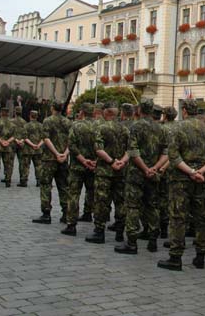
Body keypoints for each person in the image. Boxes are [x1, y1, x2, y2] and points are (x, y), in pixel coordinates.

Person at [158, 99, 205, 270]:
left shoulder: (177, 128)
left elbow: (173, 155)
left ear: (184, 110)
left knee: (178, 217)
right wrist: (201, 171)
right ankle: (200, 256)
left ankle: (175, 257)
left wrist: (191, 172)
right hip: (202, 179)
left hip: (180, 179)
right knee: (201, 217)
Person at [115, 99, 169, 255]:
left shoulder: (135, 126)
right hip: (153, 174)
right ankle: (153, 240)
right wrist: (155, 168)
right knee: (152, 206)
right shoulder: (161, 128)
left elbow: (133, 151)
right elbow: (166, 153)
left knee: (133, 207)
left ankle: (132, 242)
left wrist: (145, 169)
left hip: (136, 174)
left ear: (139, 110)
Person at [85, 104, 130, 244]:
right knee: (120, 201)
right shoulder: (125, 129)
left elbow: (99, 150)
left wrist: (111, 162)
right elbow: (131, 150)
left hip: (104, 171)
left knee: (101, 201)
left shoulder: (101, 128)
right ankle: (120, 231)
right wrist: (121, 162)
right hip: (120, 171)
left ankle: (99, 232)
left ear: (108, 113)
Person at [62, 103, 98, 236]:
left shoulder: (76, 125)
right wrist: (95, 161)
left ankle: (71, 224)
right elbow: (102, 147)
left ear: (82, 112)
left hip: (77, 166)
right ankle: (91, 216)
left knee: (73, 194)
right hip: (94, 165)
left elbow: (71, 146)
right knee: (92, 192)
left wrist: (83, 160)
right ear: (93, 113)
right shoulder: (99, 126)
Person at [32, 102, 71, 224]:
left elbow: (46, 139)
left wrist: (56, 153)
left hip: (49, 159)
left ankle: (46, 213)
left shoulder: (47, 121)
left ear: (52, 108)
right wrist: (65, 154)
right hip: (63, 159)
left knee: (45, 185)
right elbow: (72, 140)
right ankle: (66, 213)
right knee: (63, 186)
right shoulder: (68, 122)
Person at [19, 110, 43, 187]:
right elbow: (44, 138)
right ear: (37, 116)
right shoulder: (41, 126)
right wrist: (38, 145)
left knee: (25, 166)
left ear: (30, 116)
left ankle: (24, 181)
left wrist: (32, 145)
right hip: (38, 150)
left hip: (28, 149)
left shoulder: (26, 125)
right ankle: (39, 181)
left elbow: (25, 137)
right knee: (38, 166)